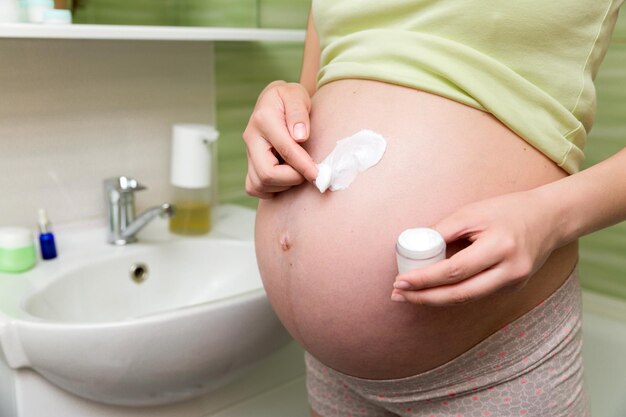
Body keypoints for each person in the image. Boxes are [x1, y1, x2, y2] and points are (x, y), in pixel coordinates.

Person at [243, 2, 625, 416]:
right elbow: (321, 80)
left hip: (491, 365)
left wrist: (552, 216)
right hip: (332, 372)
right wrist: (282, 99)